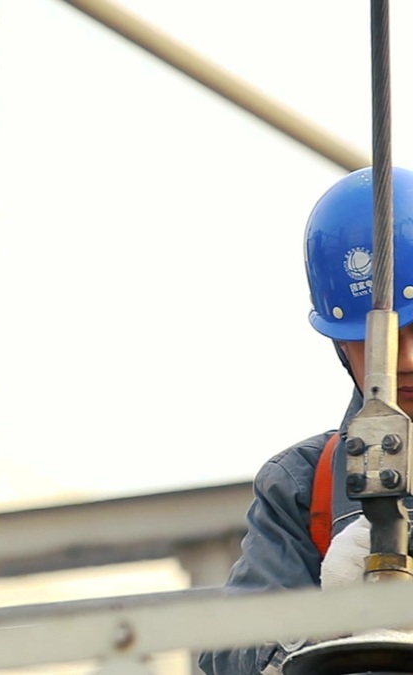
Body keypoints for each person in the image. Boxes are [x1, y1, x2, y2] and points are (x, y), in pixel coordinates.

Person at [199, 166, 413, 674]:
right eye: (371, 335)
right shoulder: (304, 487)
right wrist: (319, 630)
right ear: (340, 344)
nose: (402, 356)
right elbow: (232, 655)